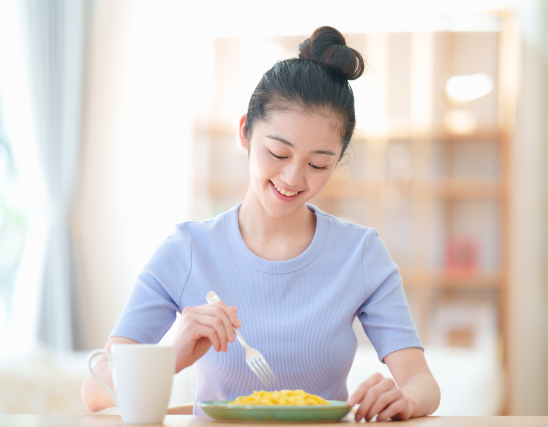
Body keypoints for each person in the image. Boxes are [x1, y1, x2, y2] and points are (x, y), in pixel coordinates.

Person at [81, 26, 440, 421]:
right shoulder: (188, 250)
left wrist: (404, 399)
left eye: (318, 164)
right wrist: (170, 358)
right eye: (277, 152)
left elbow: (422, 384)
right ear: (245, 134)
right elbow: (94, 389)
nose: (292, 178)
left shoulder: (360, 253)